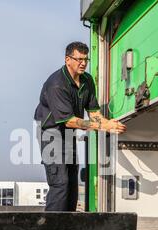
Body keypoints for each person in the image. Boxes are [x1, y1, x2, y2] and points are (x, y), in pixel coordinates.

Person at [34, 42, 127, 212]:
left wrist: (110, 124)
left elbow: (94, 113)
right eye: (79, 59)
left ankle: (69, 228)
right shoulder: (57, 84)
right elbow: (69, 120)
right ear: (67, 59)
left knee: (71, 183)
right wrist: (102, 127)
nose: (83, 63)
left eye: (86, 59)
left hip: (68, 134)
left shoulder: (87, 80)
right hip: (51, 133)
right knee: (60, 183)